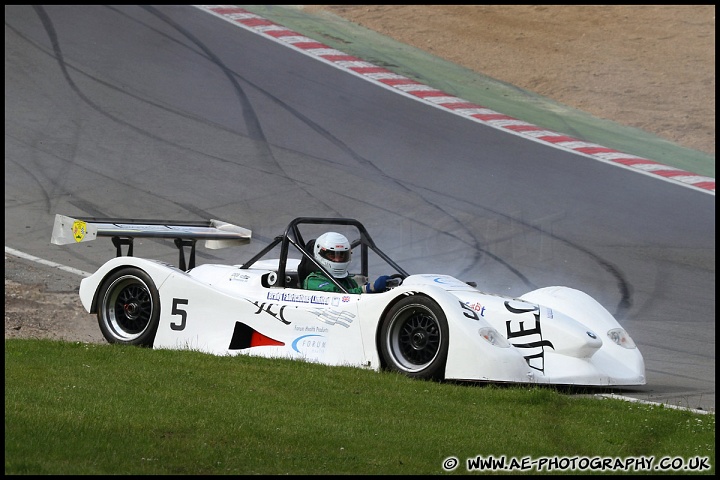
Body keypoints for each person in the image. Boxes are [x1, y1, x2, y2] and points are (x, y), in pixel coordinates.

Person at [302, 231, 392, 294]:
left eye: (341, 255)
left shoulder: (347, 280)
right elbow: (338, 297)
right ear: (320, 253)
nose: (337, 260)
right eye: (332, 255)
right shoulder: (313, 281)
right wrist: (368, 289)